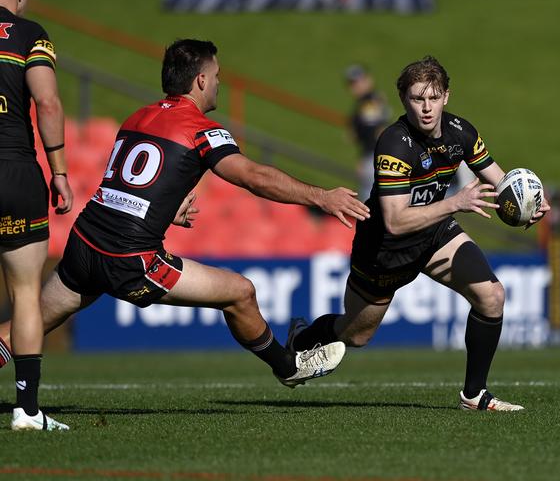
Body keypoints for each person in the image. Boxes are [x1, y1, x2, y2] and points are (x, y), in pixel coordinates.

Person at [0, 39, 371, 426]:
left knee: (24, 327)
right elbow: (255, 177)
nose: (218, 85)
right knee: (240, 293)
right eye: (216, 77)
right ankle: (288, 366)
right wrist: (321, 196)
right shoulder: (201, 130)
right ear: (199, 80)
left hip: (84, 244)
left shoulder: (136, 117)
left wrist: (165, 209)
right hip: (129, 259)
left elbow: (125, 186)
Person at [286, 56, 551, 411]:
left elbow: (501, 183)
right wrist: (456, 201)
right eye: (417, 99)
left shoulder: (462, 132)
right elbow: (396, 221)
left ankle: (474, 396)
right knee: (356, 335)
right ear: (403, 100)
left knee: (492, 297)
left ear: (446, 96)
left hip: (435, 233)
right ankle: (300, 339)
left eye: (433, 97)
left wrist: (529, 204)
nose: (426, 108)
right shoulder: (394, 144)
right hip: (385, 249)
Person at [0, 0, 73, 430]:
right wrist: (60, 171)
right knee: (25, 293)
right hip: (16, 172)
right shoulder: (29, 35)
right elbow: (47, 103)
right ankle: (27, 411)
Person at [345, 64, 391, 201]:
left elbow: (374, 133)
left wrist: (364, 158)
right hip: (378, 156)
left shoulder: (368, 103)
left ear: (368, 80)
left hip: (374, 157)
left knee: (369, 200)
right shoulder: (372, 99)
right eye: (352, 83)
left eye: (359, 81)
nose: (355, 86)